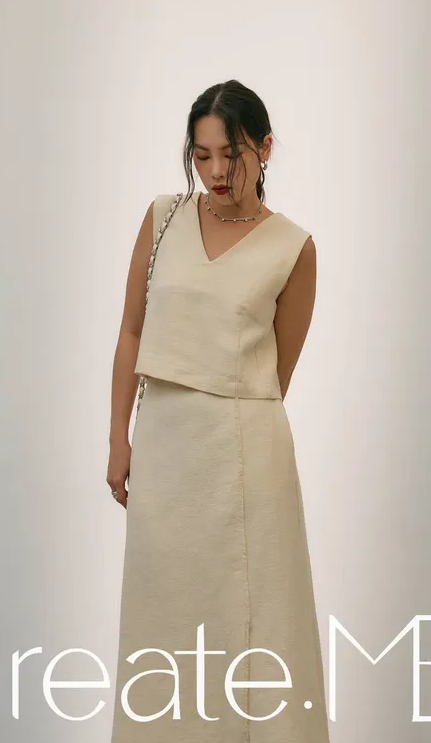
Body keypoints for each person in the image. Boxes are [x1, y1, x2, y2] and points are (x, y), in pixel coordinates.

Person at [107, 79, 330, 742]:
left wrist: (223, 408)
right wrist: (119, 439)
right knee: (165, 618)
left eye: (231, 154)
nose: (216, 171)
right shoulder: (164, 218)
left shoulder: (292, 247)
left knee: (253, 621)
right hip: (165, 450)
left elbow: (275, 376)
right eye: (201, 155)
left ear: (264, 148)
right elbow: (131, 331)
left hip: (244, 452)